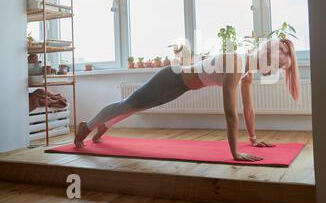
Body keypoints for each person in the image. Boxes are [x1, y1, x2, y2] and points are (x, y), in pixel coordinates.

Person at [74, 39, 300, 162]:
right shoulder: (236, 63)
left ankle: (102, 126)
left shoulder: (246, 72)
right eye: (279, 65)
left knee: (137, 106)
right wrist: (235, 153)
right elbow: (231, 113)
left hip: (180, 86)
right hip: (171, 78)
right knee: (129, 105)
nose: (277, 71)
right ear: (268, 56)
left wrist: (253, 138)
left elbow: (248, 109)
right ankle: (87, 125)